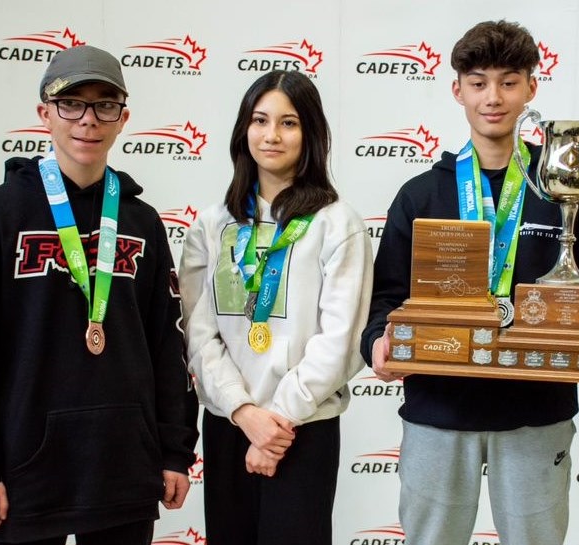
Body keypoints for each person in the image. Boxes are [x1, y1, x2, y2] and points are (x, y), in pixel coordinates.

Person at [360, 20, 579, 545]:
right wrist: (378, 341)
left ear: (532, 88)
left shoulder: (568, 188)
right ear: (457, 90)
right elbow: (385, 299)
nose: (492, 98)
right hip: (438, 410)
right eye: (477, 82)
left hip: (536, 412)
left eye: (509, 81)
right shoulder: (420, 195)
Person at [0, 45, 199, 544]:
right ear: (44, 114)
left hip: (123, 468)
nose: (88, 120)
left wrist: (174, 449)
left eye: (104, 105)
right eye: (71, 103)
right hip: (23, 474)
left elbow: (169, 344)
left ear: (123, 119)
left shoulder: (141, 222)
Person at [179, 70, 372, 545]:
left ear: (310, 134)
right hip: (229, 425)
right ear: (243, 130)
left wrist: (278, 422)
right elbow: (198, 334)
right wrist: (244, 411)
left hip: (302, 430)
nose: (271, 135)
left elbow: (341, 340)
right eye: (260, 120)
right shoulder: (212, 224)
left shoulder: (336, 223)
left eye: (288, 123)